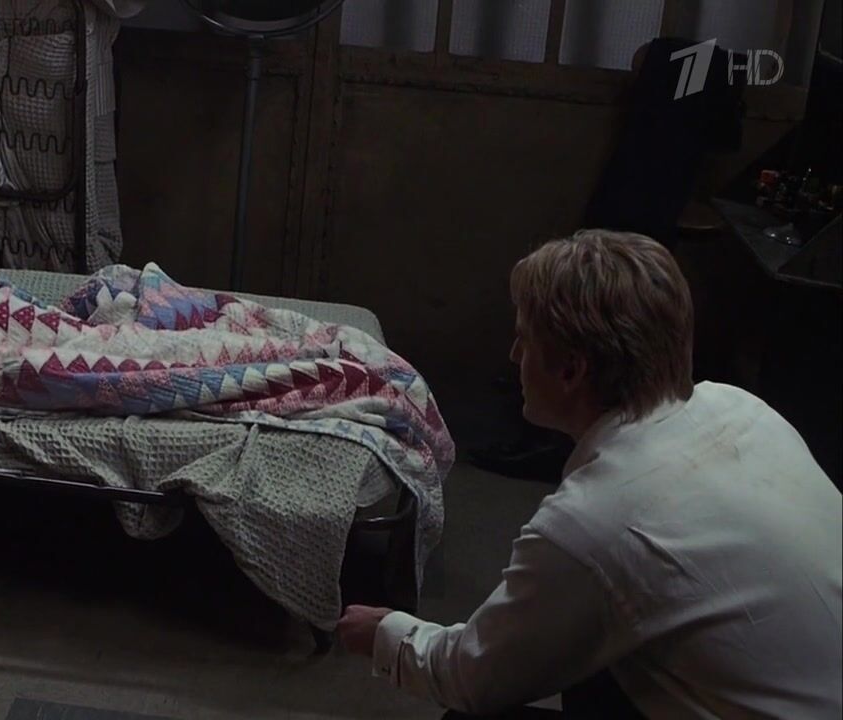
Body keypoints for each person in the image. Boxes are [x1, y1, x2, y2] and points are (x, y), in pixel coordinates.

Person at [338, 230, 842, 718]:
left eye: (524, 339)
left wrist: (386, 633)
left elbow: (473, 676)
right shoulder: (742, 408)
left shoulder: (595, 522)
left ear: (571, 371)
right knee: (597, 653)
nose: (514, 356)